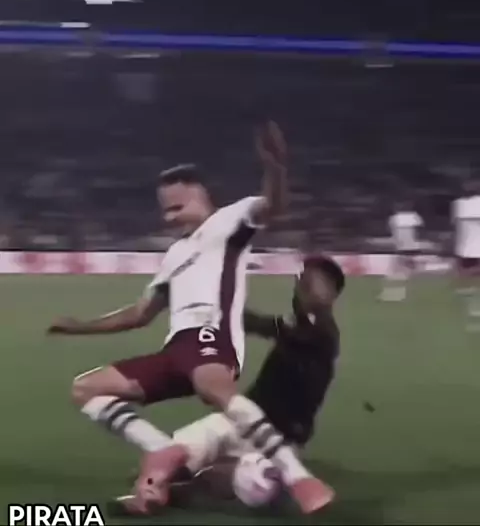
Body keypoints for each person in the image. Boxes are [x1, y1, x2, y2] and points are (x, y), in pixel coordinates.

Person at [48, 123, 332, 515]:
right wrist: (79, 326)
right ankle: (163, 452)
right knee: (87, 389)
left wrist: (276, 168)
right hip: (175, 349)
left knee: (215, 390)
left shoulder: (230, 221)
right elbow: (140, 314)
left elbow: (274, 205)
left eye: (176, 207)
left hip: (210, 336)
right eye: (165, 210)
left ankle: (298, 477)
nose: (169, 218)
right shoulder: (175, 254)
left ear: (199, 194)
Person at [115, 254, 343, 511]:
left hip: (279, 438)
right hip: (241, 419)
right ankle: (151, 489)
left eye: (311, 281)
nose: (302, 285)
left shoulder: (323, 333)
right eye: (302, 279)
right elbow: (256, 323)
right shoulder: (297, 324)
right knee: (175, 451)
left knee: (256, 485)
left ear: (331, 293)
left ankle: (182, 487)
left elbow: (270, 326)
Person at [380, 202, 423, 302]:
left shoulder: (394, 218)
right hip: (413, 247)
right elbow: (419, 231)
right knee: (406, 271)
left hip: (401, 248)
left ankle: (392, 294)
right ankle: (404, 293)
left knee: (396, 271)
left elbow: (390, 231)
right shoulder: (414, 216)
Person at [452, 180, 480, 320]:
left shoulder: (458, 204)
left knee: (466, 277)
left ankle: (469, 305)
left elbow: (454, 224)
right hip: (471, 246)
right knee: (470, 277)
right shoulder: (459, 204)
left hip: (464, 246)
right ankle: (472, 307)